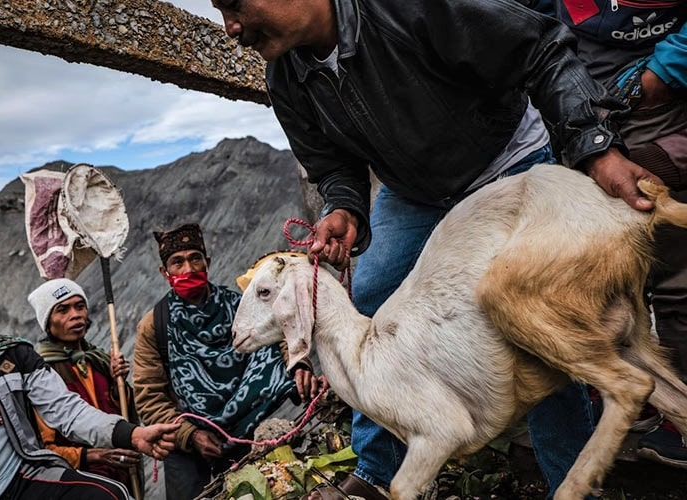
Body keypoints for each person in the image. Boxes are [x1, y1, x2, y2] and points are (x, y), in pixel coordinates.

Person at [210, 0, 663, 498]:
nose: (231, 27)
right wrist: (345, 209)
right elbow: (333, 164)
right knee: (373, 293)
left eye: (233, 4)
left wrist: (594, 145)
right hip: (416, 195)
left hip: (507, 162)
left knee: (533, 324)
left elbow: (539, 47)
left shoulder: (407, 7)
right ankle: (376, 472)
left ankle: (571, 479)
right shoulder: (286, 79)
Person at [528, 0, 687, 489]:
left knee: (672, 267)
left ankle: (673, 420)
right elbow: (525, 24)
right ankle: (630, 409)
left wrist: (660, 73)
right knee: (602, 276)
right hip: (578, 95)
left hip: (657, 95)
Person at [0, 265, 179, 500]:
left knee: (107, 494)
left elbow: (66, 410)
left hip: (18, 478)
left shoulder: (12, 354)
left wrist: (133, 435)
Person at [133, 223, 323, 500]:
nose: (188, 268)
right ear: (165, 272)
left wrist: (299, 365)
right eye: (177, 262)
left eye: (195, 258)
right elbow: (149, 397)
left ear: (207, 262)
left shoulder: (240, 305)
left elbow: (279, 339)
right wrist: (190, 434)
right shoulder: (154, 326)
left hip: (244, 429)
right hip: (185, 440)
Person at [28, 278, 141, 493]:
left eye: (80, 306)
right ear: (47, 321)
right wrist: (92, 455)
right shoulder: (40, 372)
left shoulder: (97, 361)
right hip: (78, 480)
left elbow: (119, 412)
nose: (75, 314)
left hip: (119, 471)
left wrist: (118, 383)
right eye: (63, 310)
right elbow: (43, 447)